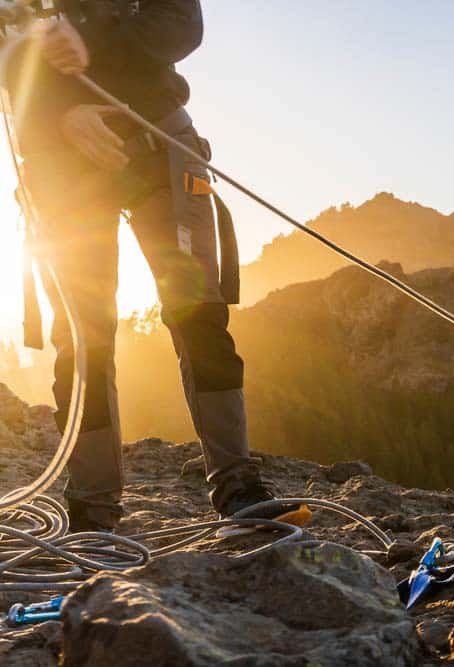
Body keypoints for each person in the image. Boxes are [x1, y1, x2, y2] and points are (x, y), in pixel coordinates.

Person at [6, 0, 303, 533]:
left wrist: (89, 41)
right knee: (81, 336)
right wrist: (56, 117)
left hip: (157, 141)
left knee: (198, 314)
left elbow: (182, 23)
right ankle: (94, 510)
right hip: (60, 162)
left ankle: (237, 487)